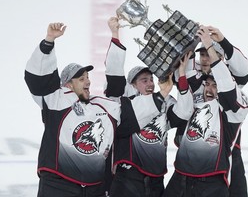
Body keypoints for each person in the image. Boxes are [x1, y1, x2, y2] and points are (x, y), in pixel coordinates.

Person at [24, 22, 175, 197]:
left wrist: (162, 93)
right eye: (81, 79)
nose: (88, 82)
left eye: (87, 78)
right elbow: (38, 79)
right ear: (67, 85)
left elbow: (133, 112)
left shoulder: (104, 107)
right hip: (58, 185)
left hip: (93, 189)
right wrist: (48, 41)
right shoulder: (55, 99)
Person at [104, 16, 194, 197]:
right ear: (133, 85)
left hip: (155, 179)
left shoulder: (165, 102)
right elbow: (113, 72)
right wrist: (115, 34)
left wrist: (182, 75)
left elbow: (184, 113)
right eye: (144, 80)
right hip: (127, 176)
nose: (150, 84)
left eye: (151, 79)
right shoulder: (123, 101)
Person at [163, 26, 248, 197]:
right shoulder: (196, 81)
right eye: (201, 55)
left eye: (208, 55)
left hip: (224, 156)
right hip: (188, 160)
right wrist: (187, 40)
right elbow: (181, 72)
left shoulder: (230, 83)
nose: (204, 59)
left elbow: (244, 72)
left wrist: (220, 43)